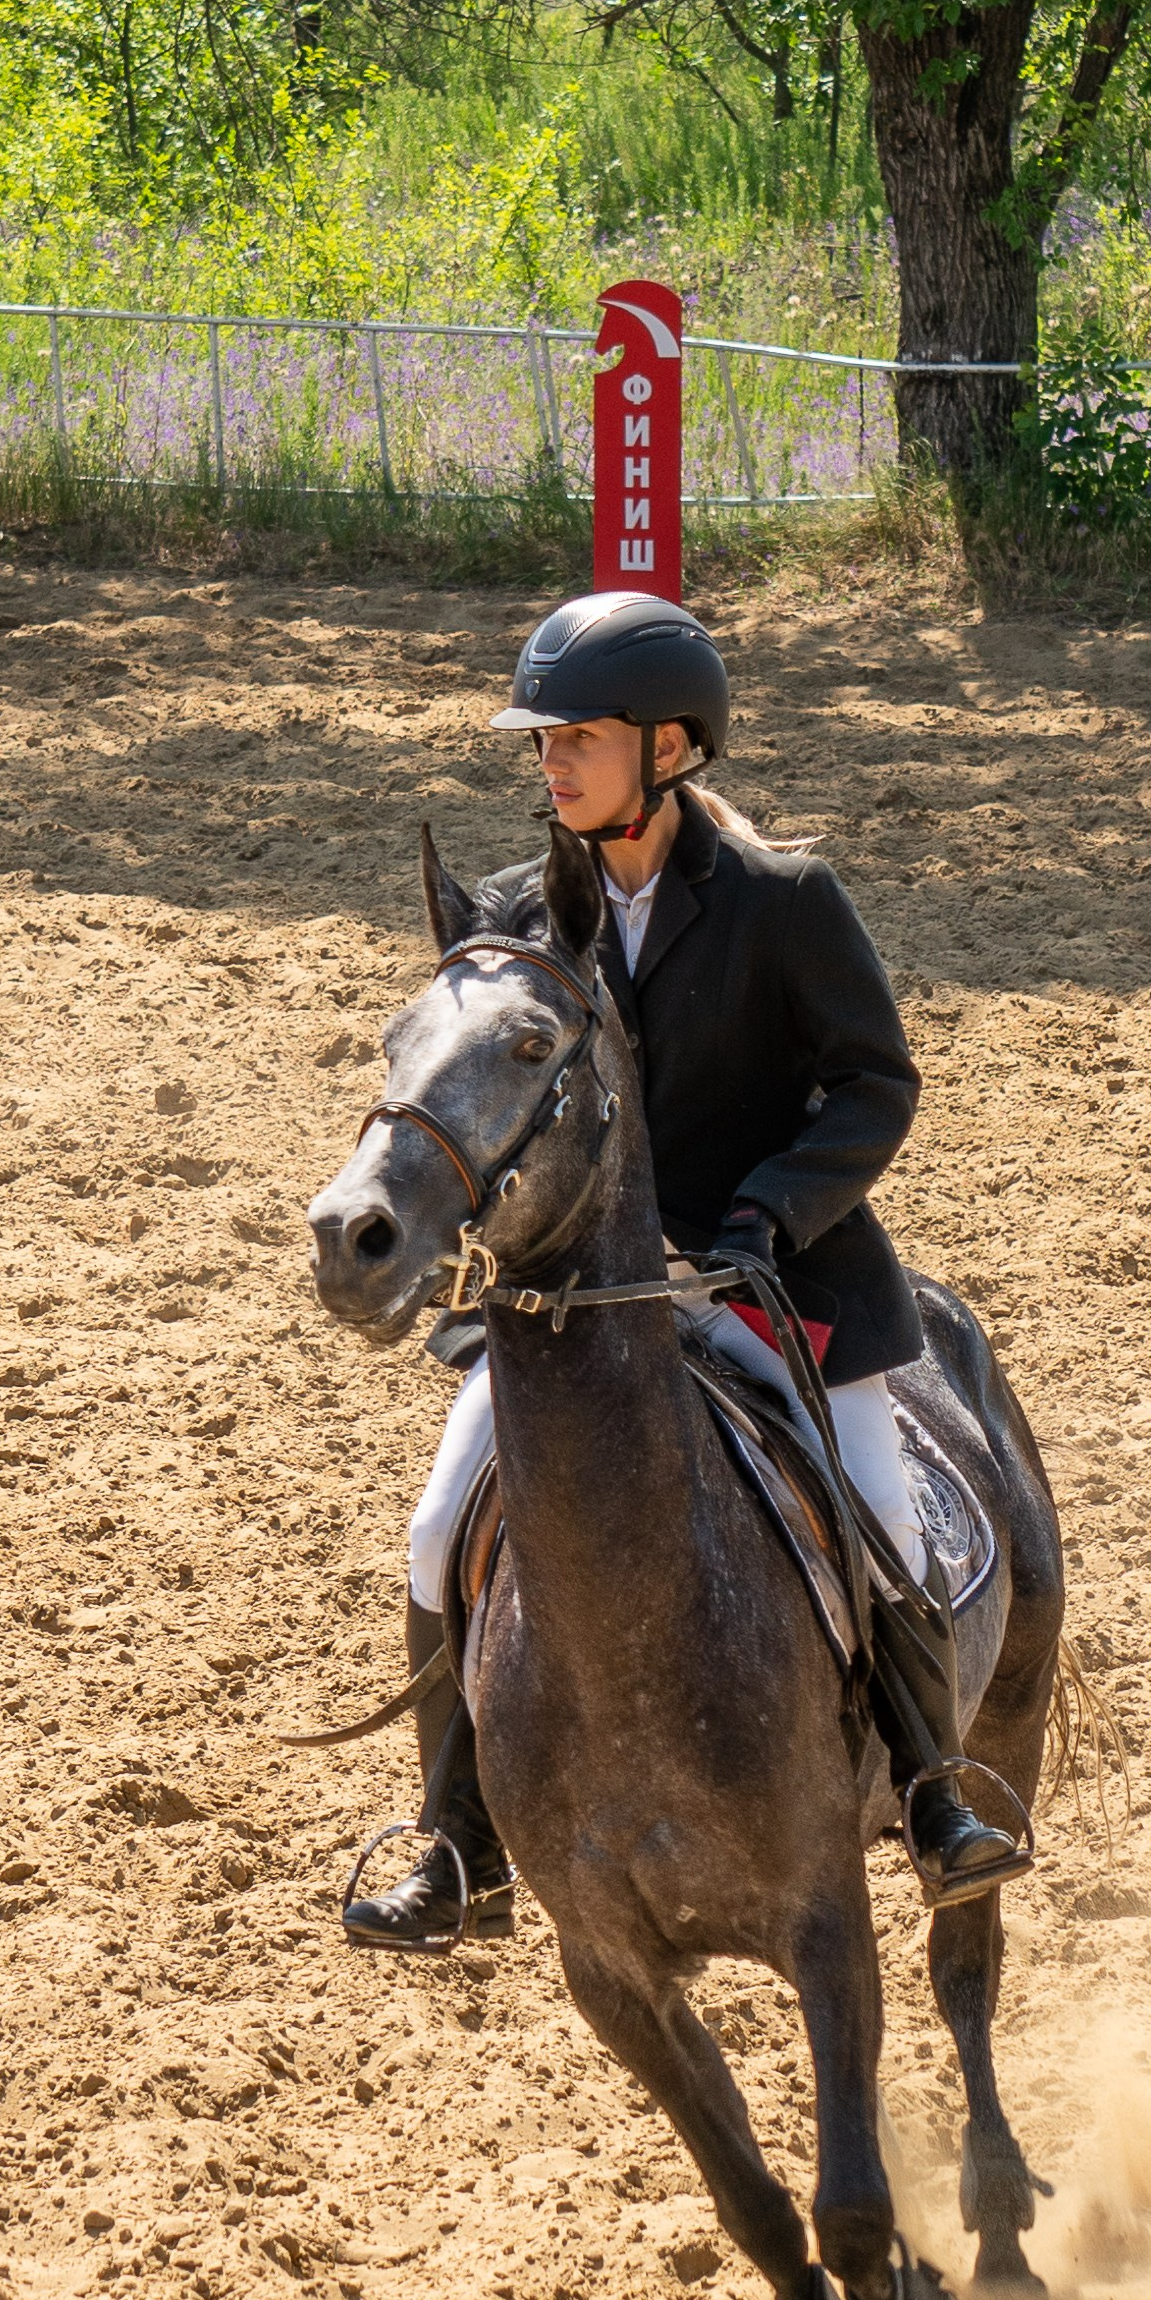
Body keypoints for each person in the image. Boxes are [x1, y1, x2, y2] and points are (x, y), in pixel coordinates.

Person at [343, 590, 1029, 1950]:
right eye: (542, 744)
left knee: (885, 1519)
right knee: (436, 1531)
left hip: (769, 1279)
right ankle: (459, 1842)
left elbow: (874, 1084)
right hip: (576, 1301)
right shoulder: (519, 910)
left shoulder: (784, 901)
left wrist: (768, 1214)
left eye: (578, 739)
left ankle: (933, 1794)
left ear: (667, 748)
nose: (552, 765)